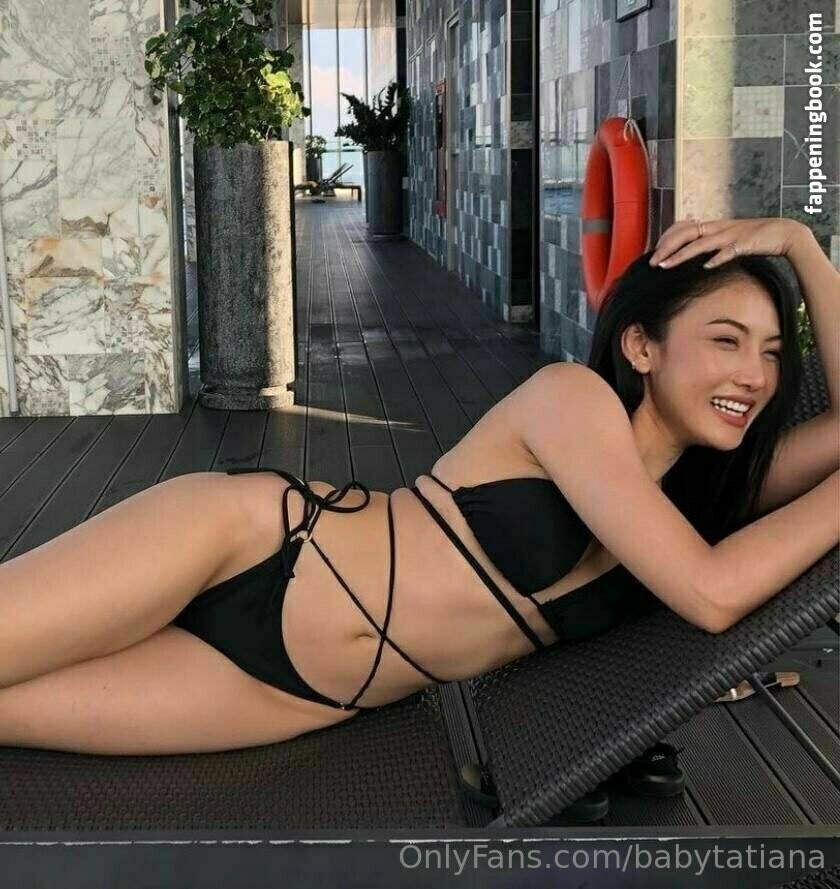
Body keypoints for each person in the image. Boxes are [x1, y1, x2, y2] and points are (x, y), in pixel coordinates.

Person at [0, 218, 837, 756]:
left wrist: (801, 248)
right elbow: (711, 593)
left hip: (305, 693)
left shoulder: (703, 496)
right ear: (642, 347)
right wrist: (796, 243)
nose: (755, 375)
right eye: (726, 340)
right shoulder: (573, 402)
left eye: (772, 353)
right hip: (252, 543)